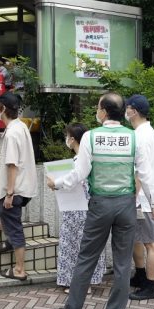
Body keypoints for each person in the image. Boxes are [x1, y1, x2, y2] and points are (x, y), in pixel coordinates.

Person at [48, 93, 154, 309]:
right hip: (126, 205)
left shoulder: (90, 137)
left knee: (86, 258)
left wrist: (57, 183)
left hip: (99, 205)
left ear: (105, 112)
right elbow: (145, 174)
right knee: (122, 263)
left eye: (98, 107)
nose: (96, 111)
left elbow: (79, 173)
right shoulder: (133, 138)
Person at [0, 93, 38, 281]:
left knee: (15, 228)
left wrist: (10, 193)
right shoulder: (20, 126)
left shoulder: (12, 132)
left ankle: (20, 269)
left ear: (3, 109)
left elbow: (12, 164)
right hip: (15, 185)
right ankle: (11, 238)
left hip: (14, 188)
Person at [55, 123, 106, 294]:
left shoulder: (80, 160)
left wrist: (55, 182)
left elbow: (75, 180)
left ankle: (80, 284)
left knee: (75, 245)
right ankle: (83, 281)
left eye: (67, 136)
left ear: (73, 139)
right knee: (83, 245)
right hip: (86, 207)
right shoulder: (90, 157)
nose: (66, 139)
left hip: (78, 209)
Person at [125, 94, 154, 301]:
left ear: (134, 111)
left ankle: (150, 286)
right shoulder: (144, 132)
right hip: (144, 199)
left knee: (151, 243)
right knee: (138, 239)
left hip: (145, 200)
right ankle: (140, 276)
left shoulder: (141, 135)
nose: (126, 111)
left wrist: (152, 202)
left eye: (128, 107)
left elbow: (141, 172)